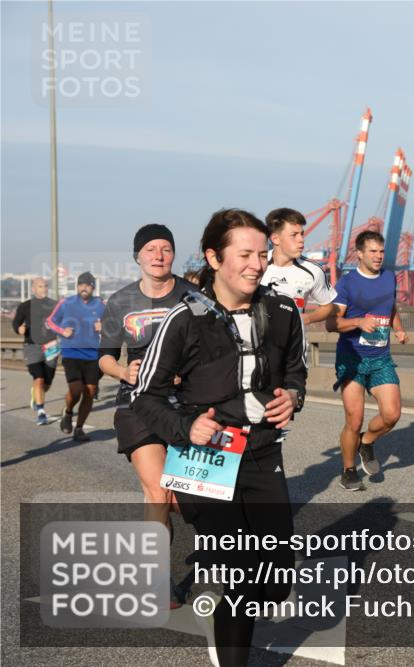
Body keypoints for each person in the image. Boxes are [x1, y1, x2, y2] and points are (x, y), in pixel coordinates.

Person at [131, 208, 306, 666]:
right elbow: (143, 395)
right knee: (243, 571)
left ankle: (229, 619)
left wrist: (293, 395)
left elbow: (295, 370)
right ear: (214, 257)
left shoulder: (283, 310)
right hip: (205, 458)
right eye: (244, 254)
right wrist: (185, 427)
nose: (256, 264)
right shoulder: (184, 319)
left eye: (263, 255)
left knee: (274, 578)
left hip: (265, 453)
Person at [98, 224, 194, 607]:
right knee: (158, 491)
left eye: (166, 248)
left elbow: (216, 345)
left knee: (185, 498)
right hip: (136, 403)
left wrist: (187, 370)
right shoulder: (120, 301)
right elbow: (105, 356)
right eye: (151, 249)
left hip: (188, 403)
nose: (158, 255)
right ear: (137, 256)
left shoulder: (193, 296)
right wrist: (124, 372)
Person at [325, 230, 408, 491]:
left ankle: (367, 442)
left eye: (381, 251)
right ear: (359, 253)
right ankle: (348, 471)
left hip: (381, 357)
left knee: (392, 414)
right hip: (352, 359)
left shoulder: (388, 278)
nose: (378, 256)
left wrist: (399, 327)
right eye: (372, 251)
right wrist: (358, 322)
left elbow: (390, 305)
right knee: (354, 418)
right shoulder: (347, 284)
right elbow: (331, 323)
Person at [46, 272, 105, 440]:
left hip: (93, 354)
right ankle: (68, 412)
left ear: (92, 287)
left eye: (87, 284)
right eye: (81, 284)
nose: (84, 287)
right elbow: (50, 321)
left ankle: (79, 428)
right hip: (71, 352)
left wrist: (104, 326)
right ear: (77, 286)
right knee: (76, 389)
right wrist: (62, 331)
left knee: (90, 391)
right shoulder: (66, 303)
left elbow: (114, 323)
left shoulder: (101, 305)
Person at [261, 207, 337, 324]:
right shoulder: (257, 265)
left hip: (295, 341)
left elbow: (327, 306)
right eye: (294, 235)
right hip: (257, 341)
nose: (301, 239)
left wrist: (307, 318)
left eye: (302, 234)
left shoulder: (313, 270)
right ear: (275, 239)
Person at [12, 277, 59, 425]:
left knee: (47, 382)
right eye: (39, 286)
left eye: (45, 286)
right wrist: (19, 329)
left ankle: (36, 395)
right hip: (32, 347)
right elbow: (16, 323)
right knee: (38, 379)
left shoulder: (54, 305)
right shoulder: (25, 306)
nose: (43, 289)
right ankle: (41, 412)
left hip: (52, 346)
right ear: (33, 289)